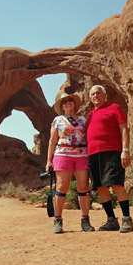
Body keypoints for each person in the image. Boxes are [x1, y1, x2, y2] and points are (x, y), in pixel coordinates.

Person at [86, 85, 133, 232]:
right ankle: (112, 221)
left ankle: (127, 219)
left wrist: (125, 150)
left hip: (112, 151)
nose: (95, 96)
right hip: (93, 154)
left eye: (98, 93)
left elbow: (124, 128)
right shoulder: (90, 115)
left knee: (116, 184)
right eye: (93, 94)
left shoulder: (114, 108)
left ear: (105, 95)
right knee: (101, 187)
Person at [46, 93, 94, 234]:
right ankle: (57, 221)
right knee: (61, 187)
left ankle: (85, 221)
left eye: (70, 100)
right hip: (63, 155)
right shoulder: (57, 120)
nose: (68, 102)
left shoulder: (83, 120)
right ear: (61, 106)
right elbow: (52, 141)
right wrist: (49, 160)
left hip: (81, 155)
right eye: (65, 101)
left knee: (83, 187)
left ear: (74, 104)